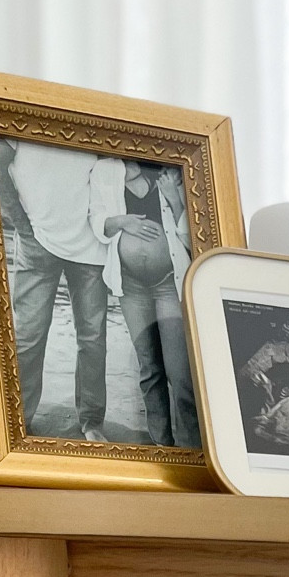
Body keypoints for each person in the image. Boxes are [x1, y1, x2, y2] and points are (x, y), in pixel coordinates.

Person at [0, 137, 112, 442]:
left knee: (93, 339)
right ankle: (17, 420)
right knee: (28, 337)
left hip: (90, 244)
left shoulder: (95, 117)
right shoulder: (27, 109)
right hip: (37, 239)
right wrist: (19, 223)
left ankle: (91, 421)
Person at [94, 161, 199, 448]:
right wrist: (123, 221)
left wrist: (176, 200)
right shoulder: (104, 170)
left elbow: (197, 238)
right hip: (131, 287)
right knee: (149, 369)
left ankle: (192, 450)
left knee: (180, 373)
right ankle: (163, 447)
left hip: (169, 283)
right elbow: (96, 221)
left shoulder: (171, 173)